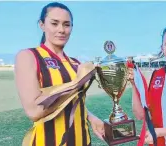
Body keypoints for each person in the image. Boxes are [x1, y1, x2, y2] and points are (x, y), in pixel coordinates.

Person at [14, 2, 104, 146]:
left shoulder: (75, 63)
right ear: (42, 24)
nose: (61, 29)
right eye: (54, 23)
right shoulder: (29, 56)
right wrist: (77, 82)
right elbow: (34, 111)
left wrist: (91, 117)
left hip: (83, 141)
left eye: (66, 24)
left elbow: (74, 100)